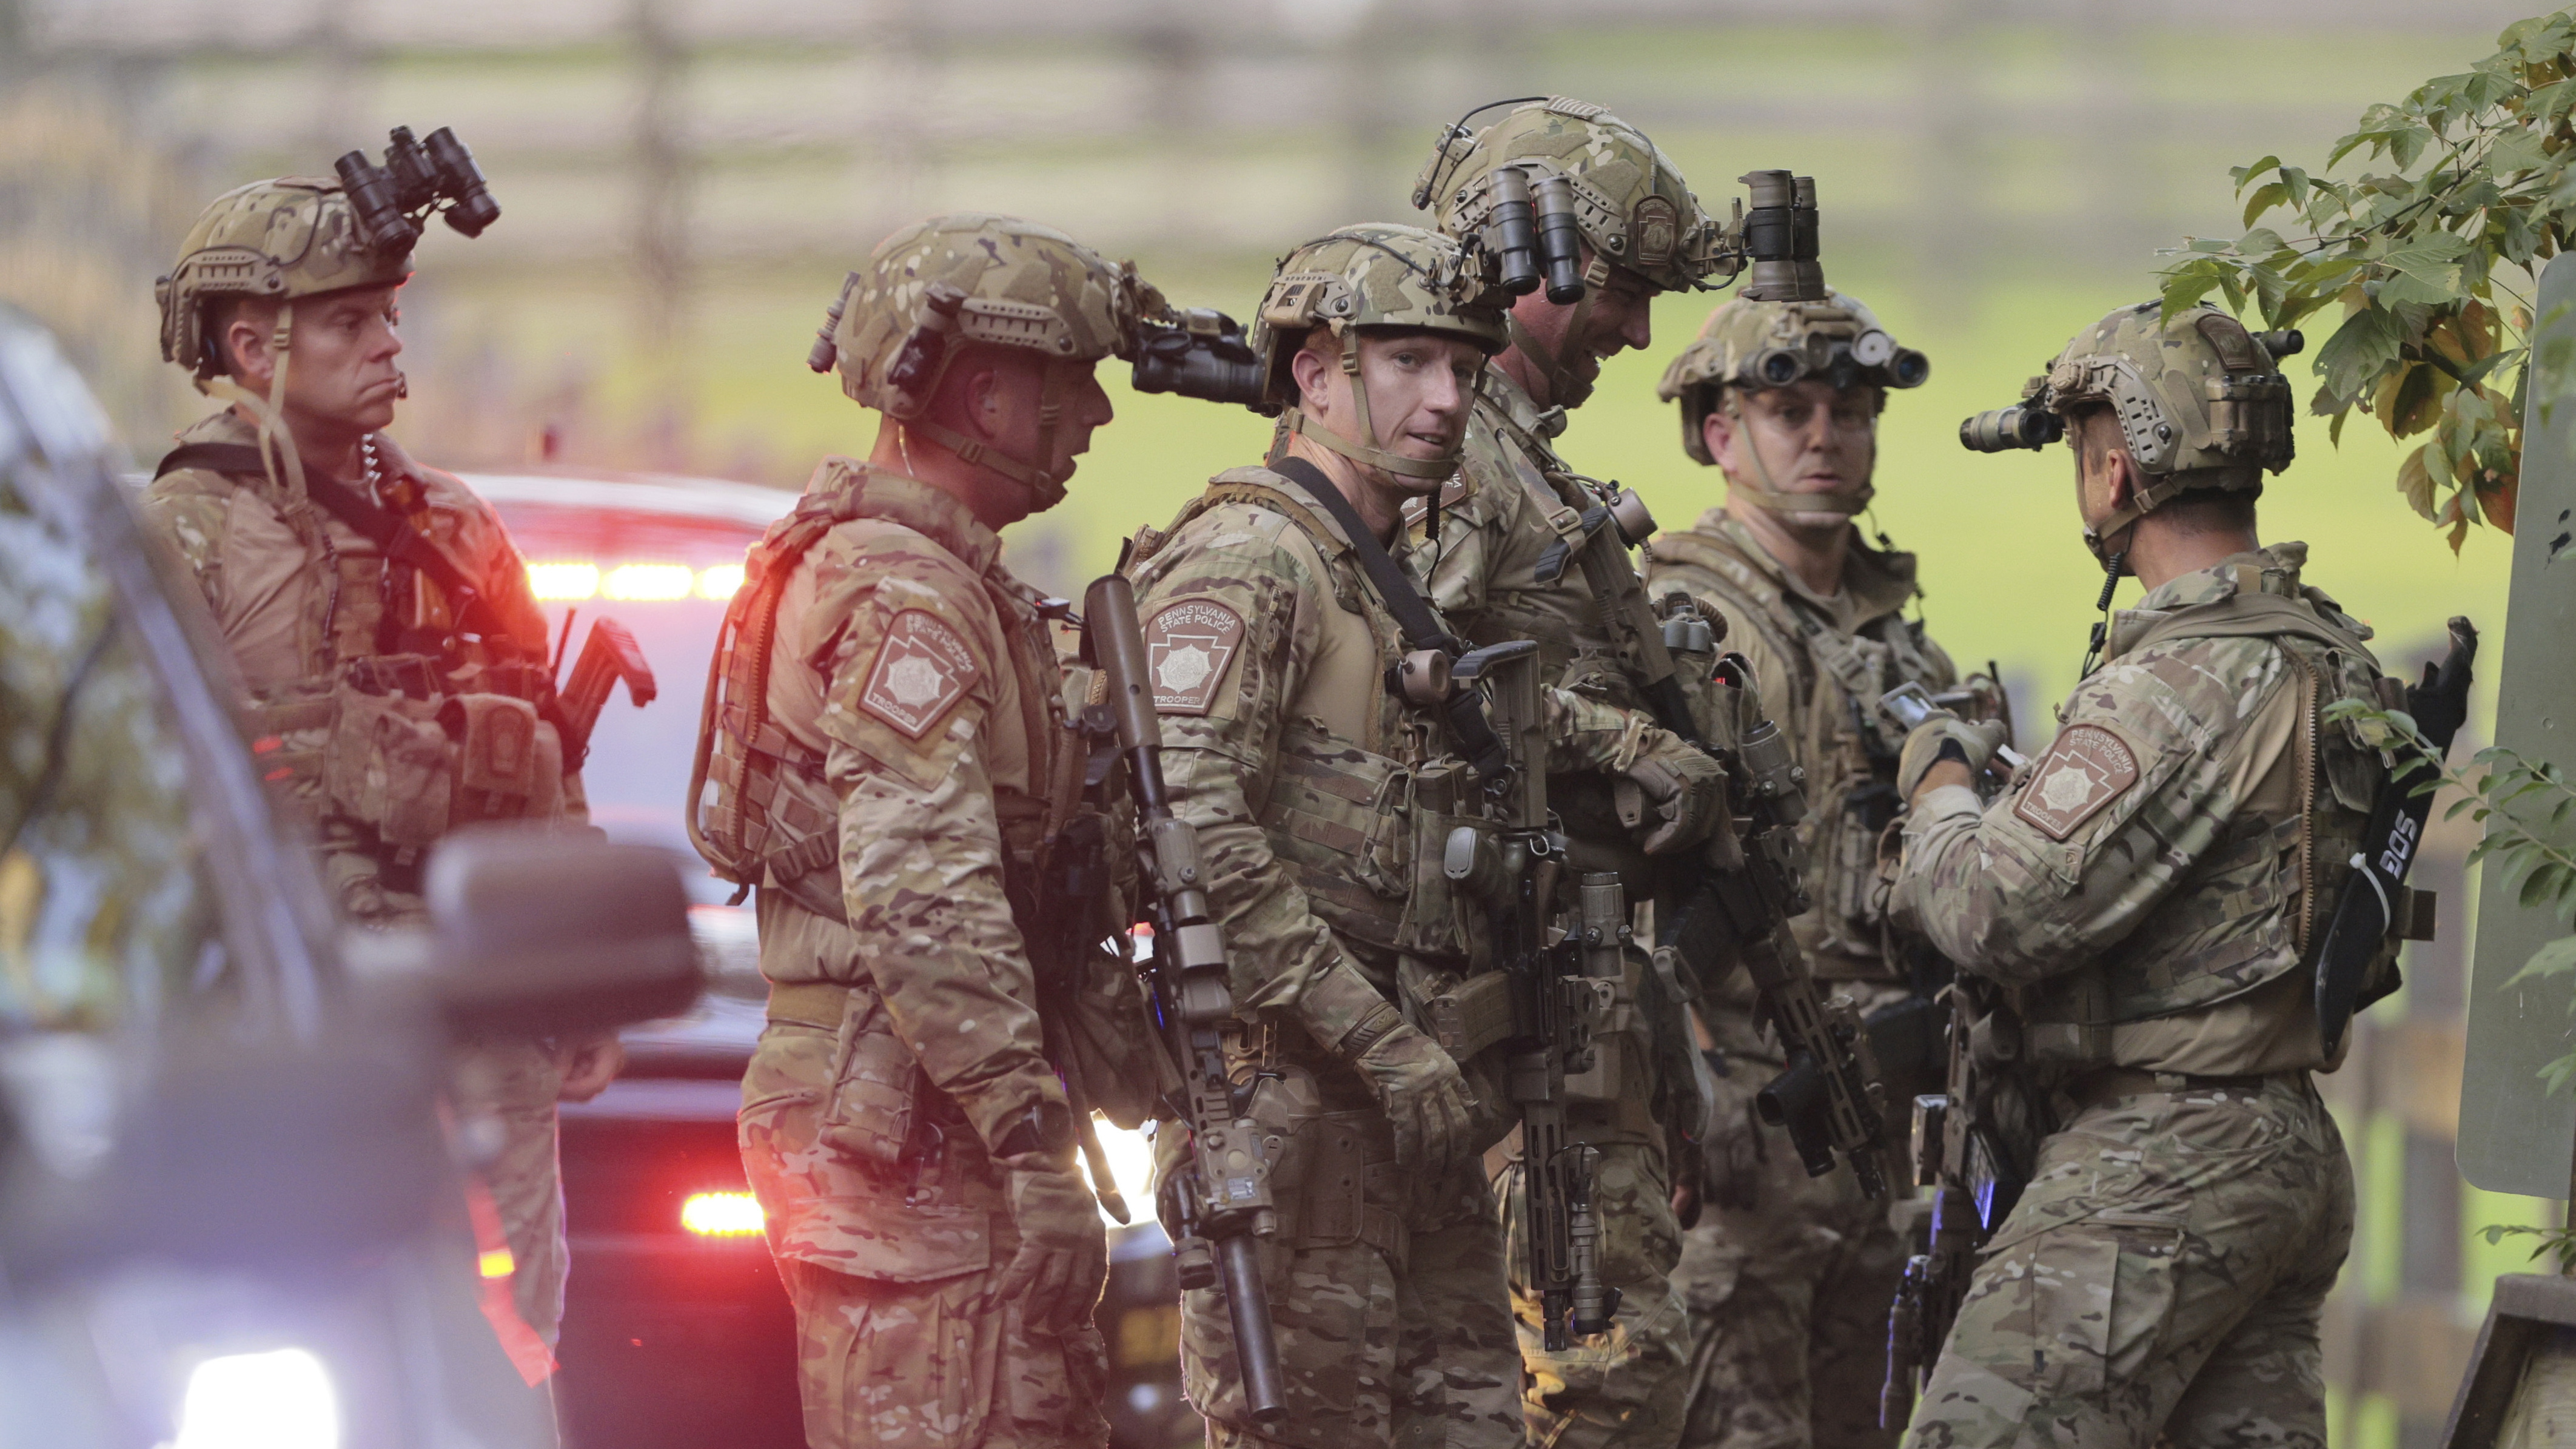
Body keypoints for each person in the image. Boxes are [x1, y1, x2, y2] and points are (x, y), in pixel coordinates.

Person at [1124, 222, 1726, 1449]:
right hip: (1298, 1112)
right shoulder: (1254, 561)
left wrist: (1627, 745)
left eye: (1462, 366)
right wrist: (1383, 1049)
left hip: (1415, 1114)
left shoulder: (1371, 571)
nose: (1448, 399)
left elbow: (1463, 699)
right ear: (1314, 374)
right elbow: (1193, 836)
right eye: (1406, 361)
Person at [691, 213, 1164, 1449]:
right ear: (987, 394)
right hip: (913, 1137)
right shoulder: (903, 598)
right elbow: (927, 895)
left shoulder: (956, 585)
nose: (1095, 418)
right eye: (1073, 384)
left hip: (931, 1121)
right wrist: (1029, 1141)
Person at [141, 171, 618, 1371]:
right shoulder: (179, 536)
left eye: (392, 315)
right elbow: (129, 808)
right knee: (287, 1351)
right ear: (252, 346)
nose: (389, 344)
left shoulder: (457, 527)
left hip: (478, 1031)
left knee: (509, 1358)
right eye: (350, 322)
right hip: (283, 1031)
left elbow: (547, 769)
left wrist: (582, 980)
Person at [1886, 300, 2376, 1449]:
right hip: (2280, 1141)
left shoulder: (2185, 678)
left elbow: (1992, 905)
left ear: (2113, 472)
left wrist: (1940, 786)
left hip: (2163, 1163)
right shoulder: (2326, 649)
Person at [1412, 94, 1736, 1449]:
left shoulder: (1518, 461)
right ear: (1525, 257)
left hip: (1582, 1002)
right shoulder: (1447, 456)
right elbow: (1419, 665)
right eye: (1619, 289)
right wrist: (1632, 744)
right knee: (1598, 1388)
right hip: (1515, 1016)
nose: (1639, 331)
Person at [1643, 293, 1996, 1449]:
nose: (1823, 437)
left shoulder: (1904, 641)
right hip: (1746, 1102)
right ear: (1716, 432)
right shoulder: (1677, 621)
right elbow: (1617, 866)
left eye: (1849, 411)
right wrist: (1689, 1070)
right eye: (1786, 409)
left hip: (1885, 1126)